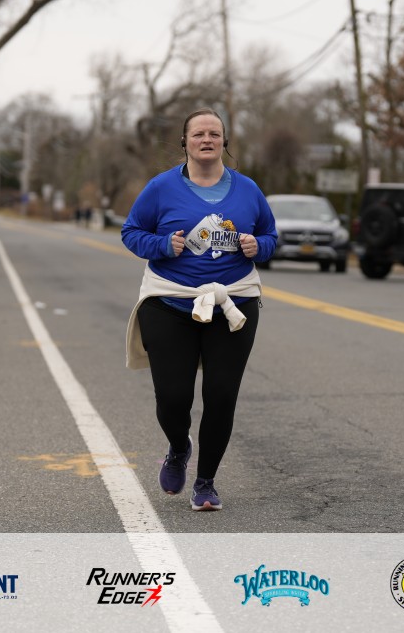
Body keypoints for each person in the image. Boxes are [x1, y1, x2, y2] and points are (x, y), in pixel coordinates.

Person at [121, 107, 277, 511]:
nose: (206, 140)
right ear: (185, 142)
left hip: (233, 303)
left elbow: (270, 236)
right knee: (172, 398)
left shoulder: (248, 190)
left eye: (214, 134)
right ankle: (178, 447)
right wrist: (161, 245)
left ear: (224, 141)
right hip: (169, 302)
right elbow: (131, 231)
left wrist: (258, 246)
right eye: (198, 134)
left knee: (221, 396)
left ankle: (206, 482)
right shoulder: (160, 188)